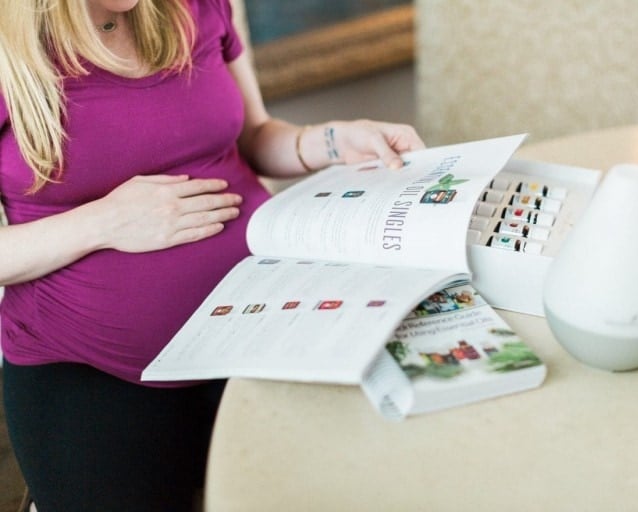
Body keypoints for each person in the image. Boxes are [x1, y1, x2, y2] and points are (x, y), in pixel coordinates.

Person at [0, 0, 425, 510]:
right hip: (94, 373)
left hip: (274, 329)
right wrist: (103, 223)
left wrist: (331, 141)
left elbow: (254, 138)